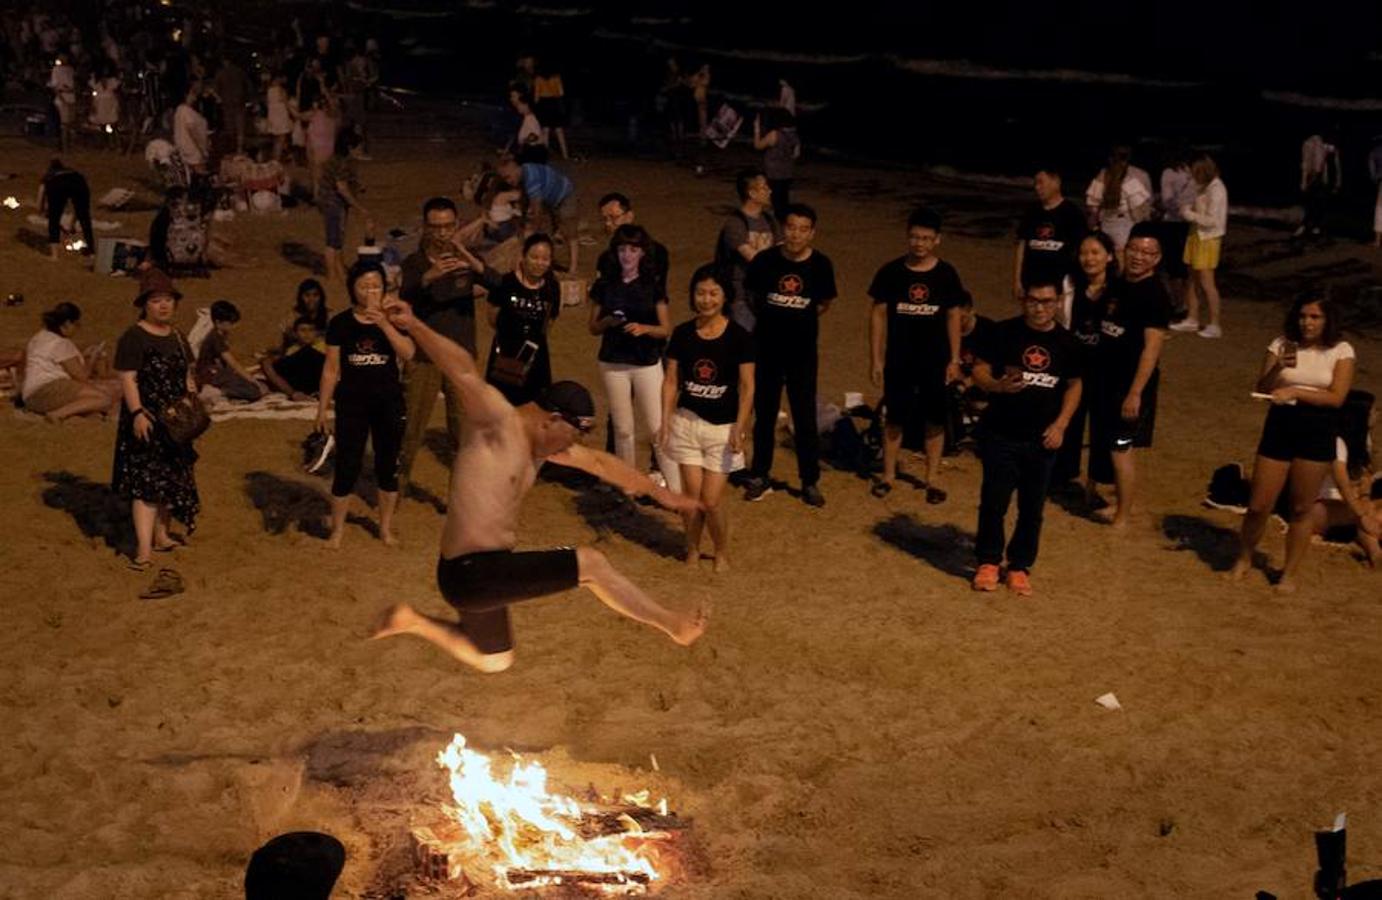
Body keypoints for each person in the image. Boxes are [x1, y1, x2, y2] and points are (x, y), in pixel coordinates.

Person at [369, 302, 708, 674]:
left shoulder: (541, 447)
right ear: (552, 419)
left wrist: (660, 493)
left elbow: (598, 462)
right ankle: (671, 625)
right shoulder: (497, 422)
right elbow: (462, 369)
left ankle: (412, 621)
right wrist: (415, 323)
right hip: (471, 572)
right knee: (591, 563)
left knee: (495, 659)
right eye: (574, 433)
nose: (570, 446)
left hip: (484, 575)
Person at [1231, 292, 1356, 592]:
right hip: (1280, 427)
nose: (1307, 323)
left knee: (1301, 508)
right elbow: (1261, 386)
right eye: (1303, 316)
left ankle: (1290, 573)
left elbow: (1337, 397)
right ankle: (1244, 558)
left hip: (1317, 430)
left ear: (1327, 320)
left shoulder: (1341, 350)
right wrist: (1279, 368)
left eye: (1314, 317)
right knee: (1259, 504)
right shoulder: (1281, 344)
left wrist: (1297, 392)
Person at [969, 278, 1083, 597]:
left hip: (1041, 440)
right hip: (1001, 433)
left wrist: (1061, 425)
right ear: (1023, 301)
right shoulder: (1003, 332)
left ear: (1059, 302)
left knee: (1032, 508)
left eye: (1047, 301)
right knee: (994, 502)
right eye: (1033, 301)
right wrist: (995, 386)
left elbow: (1074, 385)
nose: (1040, 308)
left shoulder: (1068, 342)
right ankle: (989, 561)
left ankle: (1019, 566)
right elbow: (979, 369)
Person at [658, 265, 755, 571]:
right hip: (687, 423)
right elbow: (671, 380)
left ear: (725, 296)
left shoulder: (739, 337)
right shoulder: (683, 334)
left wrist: (740, 427)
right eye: (700, 293)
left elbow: (748, 386)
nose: (706, 299)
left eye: (713, 293)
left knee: (711, 501)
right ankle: (692, 549)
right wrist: (665, 420)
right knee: (691, 499)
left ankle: (721, 550)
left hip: (722, 429)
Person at [867, 207, 966, 503]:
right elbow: (878, 315)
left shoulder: (946, 274)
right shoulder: (892, 272)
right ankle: (888, 475)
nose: (919, 243)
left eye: (925, 238)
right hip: (900, 358)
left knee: (935, 418)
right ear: (907, 237)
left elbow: (953, 316)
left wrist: (954, 359)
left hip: (934, 360)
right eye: (914, 237)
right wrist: (875, 358)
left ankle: (931, 477)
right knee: (894, 417)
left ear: (937, 240)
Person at [742, 203, 837, 507]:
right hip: (767, 350)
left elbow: (823, 303)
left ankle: (809, 481)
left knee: (804, 416)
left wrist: (800, 319)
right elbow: (751, 295)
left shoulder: (821, 265)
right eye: (791, 227)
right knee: (765, 414)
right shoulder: (765, 261)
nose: (796, 234)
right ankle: (759, 474)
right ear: (783, 229)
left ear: (812, 233)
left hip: (802, 353)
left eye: (803, 229)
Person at [315, 260, 415, 548]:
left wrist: (383, 321)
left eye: (376, 286)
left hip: (388, 402)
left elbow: (408, 353)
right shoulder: (340, 324)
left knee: (387, 465)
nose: (370, 291)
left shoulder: (394, 318)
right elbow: (331, 369)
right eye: (364, 286)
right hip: (352, 403)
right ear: (352, 289)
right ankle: (337, 532)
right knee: (347, 465)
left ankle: (384, 528)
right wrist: (322, 408)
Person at [111, 269, 200, 570]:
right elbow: (128, 377)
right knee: (146, 484)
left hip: (175, 421)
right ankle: (144, 550)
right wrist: (137, 412)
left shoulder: (177, 336)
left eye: (168, 300)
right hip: (148, 418)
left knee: (171, 479)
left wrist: (191, 396)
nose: (163, 305)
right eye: (156, 300)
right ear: (145, 304)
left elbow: (188, 372)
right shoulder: (133, 337)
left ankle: (162, 535)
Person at [1087, 223, 1170, 528]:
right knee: (1105, 441)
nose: (1138, 256)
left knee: (1121, 448)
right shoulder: (1120, 284)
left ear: (1157, 257)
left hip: (1129, 385)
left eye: (1147, 252)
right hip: (1105, 379)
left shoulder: (1156, 296)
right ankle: (1109, 500)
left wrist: (1135, 392)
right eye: (1134, 249)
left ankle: (1123, 514)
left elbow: (1151, 349)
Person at [588, 225, 680, 490]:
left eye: (633, 249)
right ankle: (628, 486)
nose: (627, 255)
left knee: (657, 428)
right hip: (613, 362)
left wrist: (645, 329)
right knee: (623, 429)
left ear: (642, 253)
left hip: (646, 362)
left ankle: (676, 489)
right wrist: (606, 321)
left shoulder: (652, 285)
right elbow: (592, 327)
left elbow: (665, 328)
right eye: (622, 249)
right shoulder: (605, 284)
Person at [397, 197, 478, 494]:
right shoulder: (414, 264)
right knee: (411, 428)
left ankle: (460, 497)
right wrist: (428, 278)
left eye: (448, 226)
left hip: (460, 357)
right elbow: (403, 299)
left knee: (463, 432)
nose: (442, 233)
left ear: (456, 226)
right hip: (424, 357)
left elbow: (492, 281)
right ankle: (395, 489)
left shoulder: (466, 259)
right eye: (435, 227)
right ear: (425, 228)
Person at [1051, 231, 1117, 493]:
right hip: (1076, 365)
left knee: (1102, 426)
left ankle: (1097, 482)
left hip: (1105, 368)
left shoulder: (1118, 290)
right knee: (1070, 419)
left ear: (1109, 256)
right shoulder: (1070, 285)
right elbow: (1063, 324)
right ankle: (1064, 475)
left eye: (1095, 253)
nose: (1088, 259)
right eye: (1083, 253)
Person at [471, 233, 561, 405]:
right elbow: (492, 318)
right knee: (502, 407)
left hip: (536, 359)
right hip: (506, 356)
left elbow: (549, 322)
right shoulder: (506, 283)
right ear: (524, 256)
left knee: (535, 408)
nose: (539, 263)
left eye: (545, 259)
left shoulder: (552, 287)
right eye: (534, 257)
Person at [1309, 390, 1380, 568]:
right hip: (1323, 507)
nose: (1377, 415)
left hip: (1350, 505)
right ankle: (1375, 552)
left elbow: (1367, 477)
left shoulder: (1363, 441)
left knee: (1372, 511)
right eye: (1374, 411)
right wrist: (1363, 508)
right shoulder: (1336, 443)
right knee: (1369, 514)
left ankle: (1375, 551)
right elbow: (1343, 486)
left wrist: (1365, 495)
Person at [21, 301, 121, 421]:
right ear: (68, 323)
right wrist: (93, 358)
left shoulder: (39, 337)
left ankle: (82, 414)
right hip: (48, 389)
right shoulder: (60, 343)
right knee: (104, 399)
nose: (76, 329)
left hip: (30, 395)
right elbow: (82, 376)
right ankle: (57, 414)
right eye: (76, 325)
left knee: (95, 397)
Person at [1169, 154, 1228, 339]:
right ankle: (1192, 319)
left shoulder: (1217, 189)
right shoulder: (1203, 186)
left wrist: (1190, 215)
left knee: (1206, 282)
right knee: (1192, 279)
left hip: (1208, 238)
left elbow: (1213, 220)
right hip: (1196, 235)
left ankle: (1215, 324)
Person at [715, 169, 781, 332]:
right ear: (752, 193)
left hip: (766, 294)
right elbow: (754, 258)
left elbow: (782, 252)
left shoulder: (770, 221)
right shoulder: (735, 224)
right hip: (741, 296)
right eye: (764, 188)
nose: (769, 191)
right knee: (743, 344)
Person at [1012, 165, 1086, 303]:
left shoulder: (1072, 213)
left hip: (1060, 283)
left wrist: (1074, 282)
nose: (1037, 187)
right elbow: (1021, 246)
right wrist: (1017, 280)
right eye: (1035, 183)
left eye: (1041, 182)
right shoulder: (1031, 212)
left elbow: (1080, 250)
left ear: (1056, 182)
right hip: (1031, 281)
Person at [498, 157, 580, 273]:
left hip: (565, 194)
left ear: (516, 169)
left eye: (508, 177)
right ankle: (549, 260)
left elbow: (537, 210)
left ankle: (573, 267)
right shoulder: (524, 175)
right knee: (547, 230)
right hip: (549, 198)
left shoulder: (531, 178)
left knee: (569, 230)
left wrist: (532, 230)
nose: (508, 181)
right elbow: (526, 201)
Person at [318, 129, 369, 285]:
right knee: (333, 240)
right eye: (358, 147)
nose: (360, 151)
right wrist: (359, 207)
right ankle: (332, 275)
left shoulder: (340, 160)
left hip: (333, 201)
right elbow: (342, 188)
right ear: (349, 147)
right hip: (334, 203)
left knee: (338, 238)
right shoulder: (341, 163)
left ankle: (339, 271)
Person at [596, 192, 670, 297]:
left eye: (614, 217)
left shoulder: (656, 252)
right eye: (604, 219)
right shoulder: (606, 257)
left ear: (629, 216)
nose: (608, 223)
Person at [1085, 146, 1151, 259]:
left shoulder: (1105, 177)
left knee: (1112, 258)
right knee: (1117, 258)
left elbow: (1093, 208)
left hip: (1116, 225)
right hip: (1116, 225)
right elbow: (1141, 210)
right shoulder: (1106, 177)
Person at [195, 300, 265, 401]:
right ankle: (217, 392)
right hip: (210, 374)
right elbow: (233, 363)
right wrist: (253, 381)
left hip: (214, 372)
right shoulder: (215, 338)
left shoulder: (219, 335)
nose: (233, 326)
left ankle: (219, 390)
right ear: (218, 322)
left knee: (249, 384)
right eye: (230, 323)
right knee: (254, 391)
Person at [36, 159, 94, 260]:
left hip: (58, 185)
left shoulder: (49, 176)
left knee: (54, 219)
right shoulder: (73, 173)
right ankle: (92, 252)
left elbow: (40, 196)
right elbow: (80, 207)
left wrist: (41, 210)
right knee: (84, 217)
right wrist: (72, 224)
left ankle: (55, 255)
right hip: (79, 183)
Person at [262, 317, 327, 400]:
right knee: (265, 362)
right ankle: (293, 393)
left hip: (317, 378)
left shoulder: (324, 346)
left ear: (317, 333)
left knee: (308, 351)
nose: (307, 333)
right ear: (295, 334)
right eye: (303, 330)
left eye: (311, 330)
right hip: (296, 379)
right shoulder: (292, 349)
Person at [754, 107, 800, 220]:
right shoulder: (793, 134)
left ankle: (778, 222)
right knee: (784, 198)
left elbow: (758, 146)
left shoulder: (775, 134)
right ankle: (784, 219)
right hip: (787, 171)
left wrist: (756, 130)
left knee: (775, 200)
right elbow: (796, 154)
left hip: (774, 172)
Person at [1298, 132, 1342, 239]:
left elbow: (1335, 163)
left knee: (1318, 202)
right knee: (1313, 202)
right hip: (1316, 176)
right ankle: (1310, 226)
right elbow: (1306, 162)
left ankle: (1312, 226)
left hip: (1321, 177)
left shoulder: (1326, 145)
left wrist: (1337, 181)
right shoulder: (1312, 143)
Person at [532, 60, 570, 161]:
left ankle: (545, 155)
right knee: (559, 130)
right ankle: (565, 154)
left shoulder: (538, 79)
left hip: (544, 104)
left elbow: (536, 96)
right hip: (555, 103)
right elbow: (561, 93)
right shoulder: (556, 78)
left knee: (545, 131)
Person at [172, 83, 209, 174]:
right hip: (192, 149)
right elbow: (192, 130)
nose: (195, 97)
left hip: (183, 148)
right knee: (200, 174)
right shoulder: (186, 111)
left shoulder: (179, 110)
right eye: (192, 94)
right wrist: (201, 148)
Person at [506, 89, 547, 164]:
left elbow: (534, 135)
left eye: (519, 104)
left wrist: (524, 143)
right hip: (529, 150)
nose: (518, 107)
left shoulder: (531, 119)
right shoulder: (526, 118)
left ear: (526, 105)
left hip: (533, 152)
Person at [265, 72, 294, 161]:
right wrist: (293, 113)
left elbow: (267, 104)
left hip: (272, 116)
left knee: (276, 139)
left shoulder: (269, 90)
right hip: (281, 116)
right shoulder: (281, 90)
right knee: (281, 139)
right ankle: (276, 160)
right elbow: (286, 104)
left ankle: (276, 157)